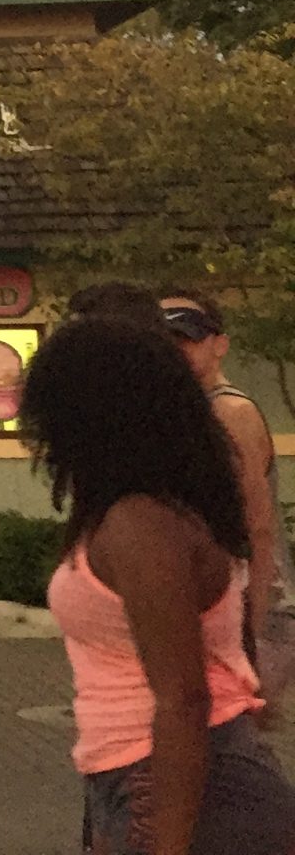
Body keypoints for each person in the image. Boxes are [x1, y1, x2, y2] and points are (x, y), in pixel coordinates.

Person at [26, 313, 295, 852]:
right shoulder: (131, 509)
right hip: (138, 771)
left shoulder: (141, 523)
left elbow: (183, 698)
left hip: (187, 782)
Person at [162, 289, 295, 704]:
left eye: (187, 338)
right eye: (163, 340)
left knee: (232, 738)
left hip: (253, 607)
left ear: (219, 345)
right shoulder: (186, 413)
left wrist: (252, 634)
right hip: (215, 606)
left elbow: (257, 527)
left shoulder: (229, 412)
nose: (176, 350)